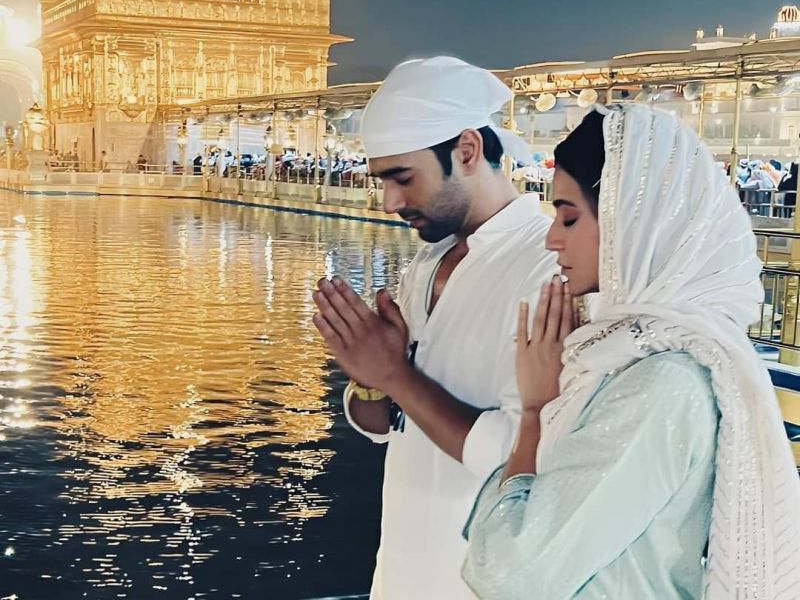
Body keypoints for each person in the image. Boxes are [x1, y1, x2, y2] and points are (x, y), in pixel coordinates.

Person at [462, 105, 800, 599]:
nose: (552, 237)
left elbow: (510, 573)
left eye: (569, 217)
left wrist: (535, 412)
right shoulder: (623, 358)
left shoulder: (662, 384)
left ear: (636, 224)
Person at [311, 56, 558, 599]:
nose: (390, 202)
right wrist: (369, 375)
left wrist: (396, 376)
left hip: (476, 578)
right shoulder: (427, 262)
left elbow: (523, 456)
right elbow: (381, 425)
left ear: (467, 150)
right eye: (383, 181)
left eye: (403, 178)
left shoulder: (546, 267)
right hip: (401, 566)